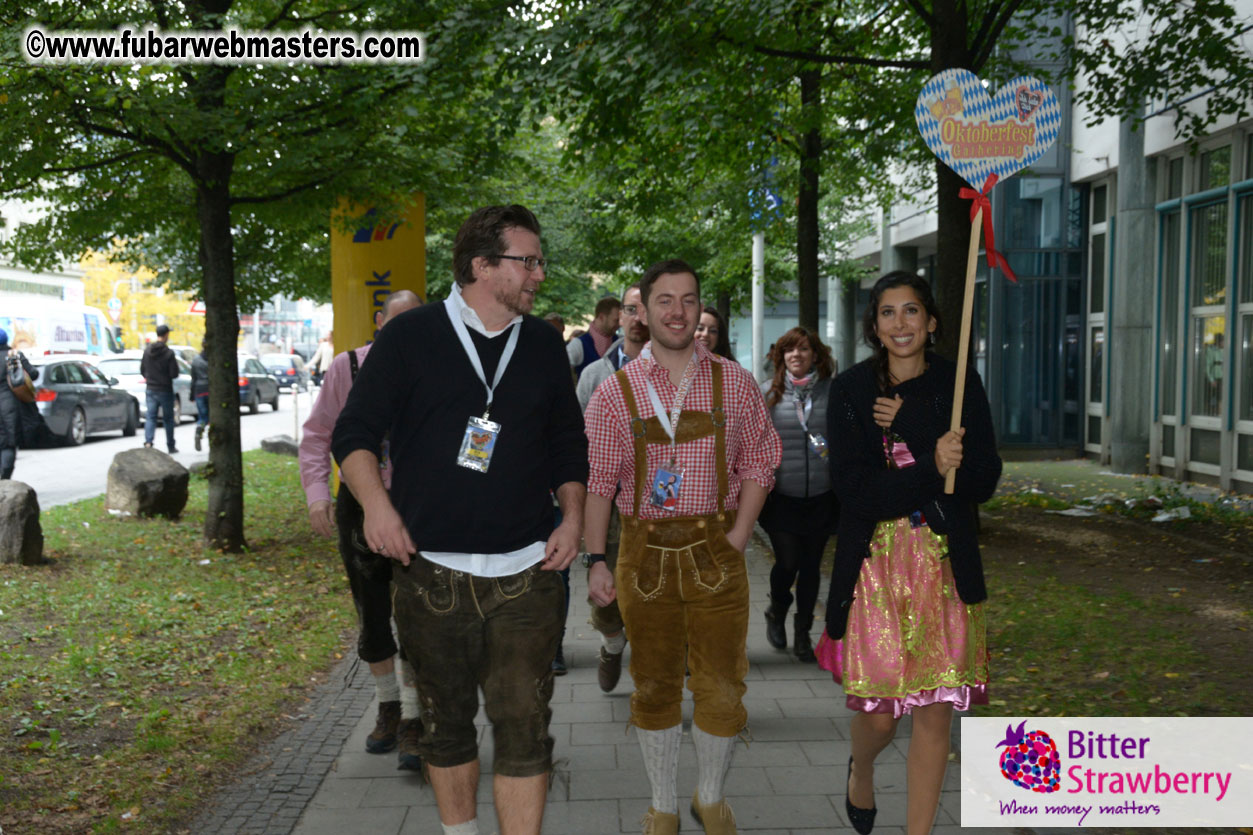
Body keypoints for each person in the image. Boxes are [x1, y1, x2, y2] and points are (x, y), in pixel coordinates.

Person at [332, 205, 587, 835]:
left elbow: (567, 444)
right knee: (446, 728)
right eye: (527, 261)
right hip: (432, 575)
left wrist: (573, 519)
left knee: (526, 729)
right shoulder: (410, 336)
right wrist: (378, 509)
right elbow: (353, 434)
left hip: (528, 574)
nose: (538, 274)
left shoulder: (542, 344)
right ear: (481, 266)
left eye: (538, 261)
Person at [583, 259, 781, 835]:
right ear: (643, 310)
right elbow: (599, 482)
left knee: (722, 681)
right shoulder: (615, 391)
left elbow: (761, 462)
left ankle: (711, 797)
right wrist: (597, 561)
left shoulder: (733, 382)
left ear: (699, 309)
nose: (678, 311)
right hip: (641, 556)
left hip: (715, 551)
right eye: (665, 300)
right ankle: (664, 804)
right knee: (654, 681)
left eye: (688, 300)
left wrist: (739, 537)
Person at [817, 271, 1001, 835]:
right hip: (874, 567)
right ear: (874, 326)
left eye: (912, 311)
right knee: (878, 719)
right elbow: (859, 493)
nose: (901, 323)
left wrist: (918, 427)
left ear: (933, 321)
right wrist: (932, 463)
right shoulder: (850, 391)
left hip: (944, 564)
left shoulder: (958, 384)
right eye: (889, 313)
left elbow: (982, 479)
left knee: (934, 714)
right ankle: (862, 771)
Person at [300, 290, 423, 769]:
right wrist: (317, 495)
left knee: (418, 611)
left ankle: (416, 717)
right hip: (360, 502)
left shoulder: (433, 368)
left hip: (418, 504)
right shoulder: (346, 368)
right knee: (372, 613)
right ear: (378, 322)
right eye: (397, 324)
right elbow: (317, 435)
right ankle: (389, 704)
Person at [573, 283, 649, 691]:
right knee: (606, 599)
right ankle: (612, 643)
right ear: (618, 316)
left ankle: (660, 670)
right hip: (608, 503)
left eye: (643, 309)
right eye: (629, 309)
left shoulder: (675, 372)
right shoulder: (594, 376)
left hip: (660, 504)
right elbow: (577, 443)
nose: (636, 318)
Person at [759, 327, 838, 664]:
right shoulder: (767, 394)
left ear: (815, 356)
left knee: (810, 567)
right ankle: (777, 610)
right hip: (781, 497)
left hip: (821, 495)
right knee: (788, 561)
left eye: (804, 349)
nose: (796, 355)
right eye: (789, 350)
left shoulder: (833, 394)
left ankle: (803, 633)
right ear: (781, 357)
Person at [0, 328, 39, 480]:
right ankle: (4, 480)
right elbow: (34, 374)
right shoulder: (14, 356)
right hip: (10, 407)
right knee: (9, 443)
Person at [141, 324, 180, 453]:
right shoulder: (168, 353)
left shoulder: (147, 351)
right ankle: (170, 445)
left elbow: (142, 370)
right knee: (168, 419)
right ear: (166, 335)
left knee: (151, 417)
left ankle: (148, 442)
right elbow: (174, 373)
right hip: (165, 390)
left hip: (151, 388)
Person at [567, 296, 622, 377]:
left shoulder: (620, 342)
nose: (620, 324)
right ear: (601, 317)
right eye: (616, 320)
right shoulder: (578, 345)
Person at [191, 340, 210, 452]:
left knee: (202, 416)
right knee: (212, 417)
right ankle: (212, 438)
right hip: (211, 390)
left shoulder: (196, 360)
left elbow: (193, 379)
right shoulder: (213, 360)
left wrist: (192, 395)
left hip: (199, 390)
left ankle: (200, 427)